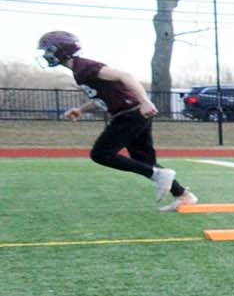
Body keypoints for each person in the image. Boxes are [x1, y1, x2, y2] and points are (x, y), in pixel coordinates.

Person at [39, 30, 194, 210]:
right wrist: (81, 109)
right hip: (134, 114)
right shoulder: (79, 71)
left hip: (130, 114)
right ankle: (183, 195)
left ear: (61, 49)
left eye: (48, 50)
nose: (45, 55)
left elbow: (124, 76)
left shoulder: (85, 67)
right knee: (144, 161)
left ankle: (161, 177)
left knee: (101, 154)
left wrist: (145, 100)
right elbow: (102, 96)